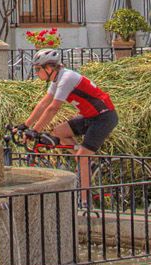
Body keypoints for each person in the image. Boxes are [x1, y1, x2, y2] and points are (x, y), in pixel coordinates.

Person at [22, 48, 118, 190]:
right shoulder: (57, 79)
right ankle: (90, 163)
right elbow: (43, 103)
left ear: (49, 68)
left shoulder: (66, 78)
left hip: (104, 117)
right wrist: (25, 125)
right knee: (59, 132)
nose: (36, 74)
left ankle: (85, 203)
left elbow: (53, 108)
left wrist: (35, 130)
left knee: (81, 158)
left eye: (37, 69)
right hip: (90, 116)